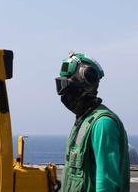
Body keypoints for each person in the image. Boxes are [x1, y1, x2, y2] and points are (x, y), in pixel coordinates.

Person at [55, 51, 130, 192]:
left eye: (70, 88)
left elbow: (107, 184)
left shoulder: (102, 124)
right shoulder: (83, 121)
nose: (65, 96)